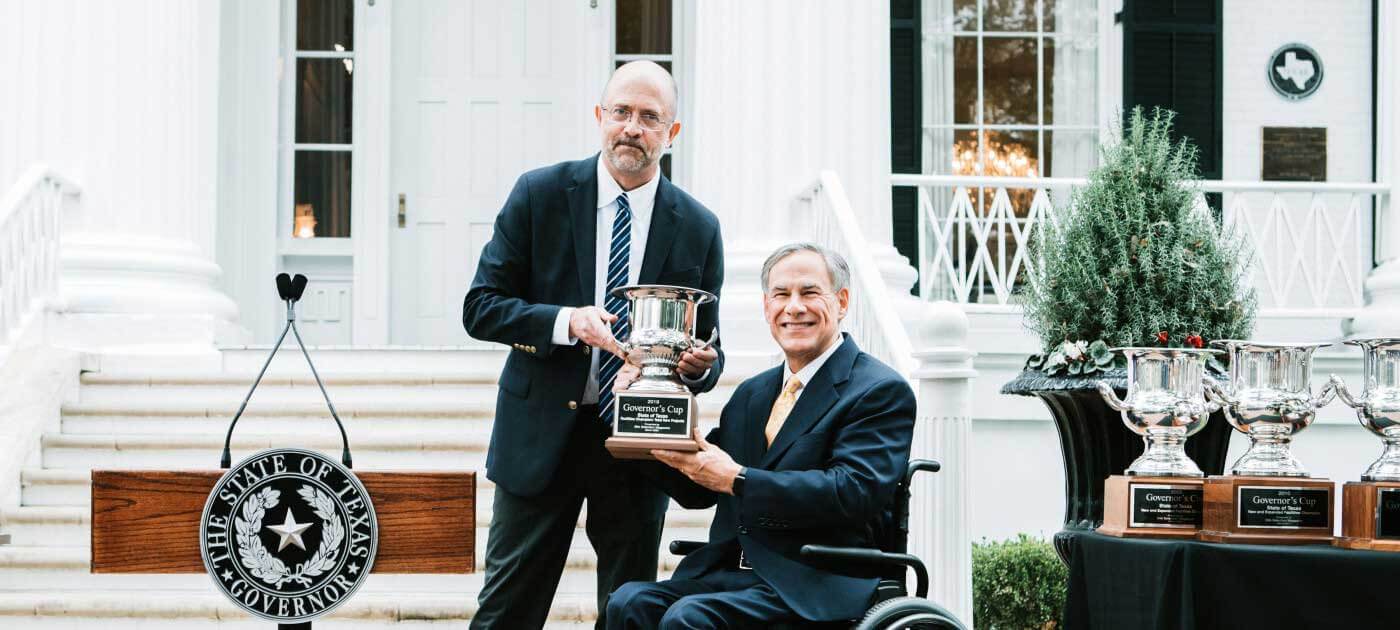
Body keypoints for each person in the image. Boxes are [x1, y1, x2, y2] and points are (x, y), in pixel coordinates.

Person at [462, 60, 725, 630]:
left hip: (639, 442)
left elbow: (710, 343)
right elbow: (480, 308)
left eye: (650, 117)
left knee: (628, 611)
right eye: (621, 112)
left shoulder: (699, 226)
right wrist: (565, 321)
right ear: (599, 117)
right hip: (538, 440)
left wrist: (703, 365)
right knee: (507, 611)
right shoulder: (540, 194)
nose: (632, 127)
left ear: (672, 134)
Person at [605, 243, 916, 628]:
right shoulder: (752, 393)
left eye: (809, 292)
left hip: (815, 580)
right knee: (628, 601)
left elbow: (852, 492)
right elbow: (701, 491)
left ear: (842, 301)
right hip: (734, 571)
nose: (794, 307)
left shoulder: (879, 390)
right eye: (781, 295)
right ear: (767, 307)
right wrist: (641, 422)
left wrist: (739, 479)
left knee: (690, 619)